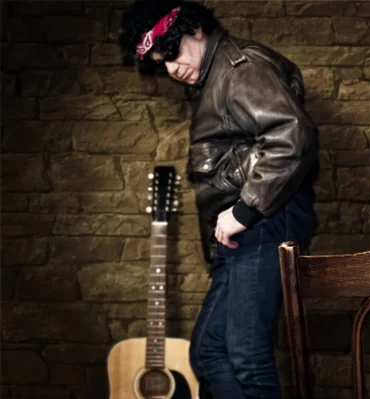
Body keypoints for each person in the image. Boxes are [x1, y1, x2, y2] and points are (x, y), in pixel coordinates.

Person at [120, 1, 319, 398]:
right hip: (241, 235)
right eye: (162, 64)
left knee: (246, 353)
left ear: (194, 30)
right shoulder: (215, 79)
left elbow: (292, 137)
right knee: (210, 352)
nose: (172, 69)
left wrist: (245, 211)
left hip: (262, 222)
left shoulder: (238, 69)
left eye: (171, 54)